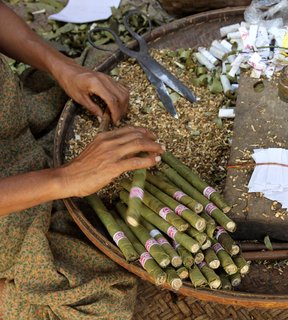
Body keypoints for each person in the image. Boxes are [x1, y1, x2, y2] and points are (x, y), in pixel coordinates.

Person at [0, 1, 165, 319]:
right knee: (103, 303)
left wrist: (61, 67)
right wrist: (65, 179)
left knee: (93, 92)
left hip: (14, 121)